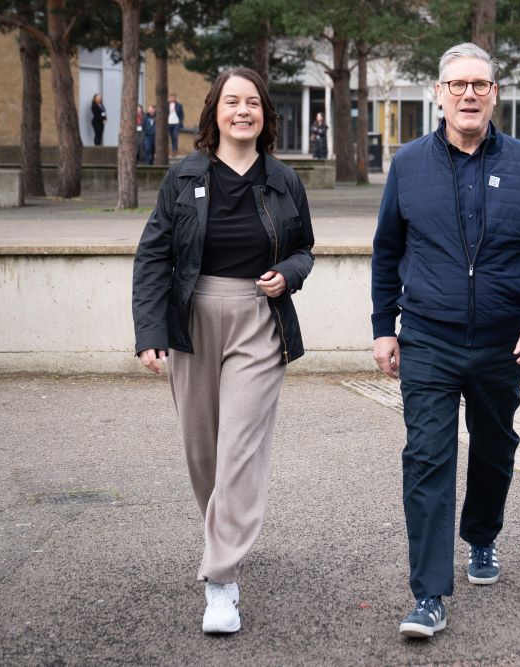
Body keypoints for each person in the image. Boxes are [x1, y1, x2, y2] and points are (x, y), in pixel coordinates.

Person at [371, 42, 520, 639]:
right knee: (428, 458)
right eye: (457, 85)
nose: (469, 95)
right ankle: (428, 594)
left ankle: (482, 535)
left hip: (502, 342)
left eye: (480, 85)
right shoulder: (407, 165)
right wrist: (384, 328)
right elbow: (387, 252)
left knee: (494, 449)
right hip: (428, 337)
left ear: (495, 95)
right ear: (438, 94)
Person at [132, 67, 315, 635]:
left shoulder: (285, 180)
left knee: (239, 447)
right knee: (203, 451)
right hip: (191, 317)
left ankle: (221, 580)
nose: (243, 111)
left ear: (265, 114)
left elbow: (305, 248)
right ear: (214, 112)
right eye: (232, 102)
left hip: (258, 320)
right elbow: (152, 257)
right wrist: (149, 331)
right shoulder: (183, 177)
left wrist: (287, 274)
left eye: (253, 102)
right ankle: (223, 540)